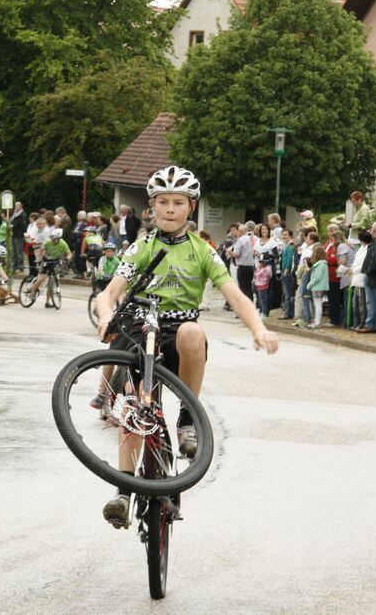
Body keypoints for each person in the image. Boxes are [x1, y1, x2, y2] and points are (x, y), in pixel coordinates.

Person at [95, 166, 278, 527]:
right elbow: (110, 293)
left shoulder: (203, 251)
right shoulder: (142, 246)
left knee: (194, 331)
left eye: (178, 202)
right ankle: (123, 492)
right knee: (135, 404)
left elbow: (235, 296)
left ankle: (187, 419)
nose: (170, 209)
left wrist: (259, 328)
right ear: (151, 207)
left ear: (190, 207)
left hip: (178, 329)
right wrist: (104, 315)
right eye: (163, 202)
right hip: (139, 323)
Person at [29, 228, 71, 302]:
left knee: (50, 282)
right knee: (42, 278)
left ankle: (48, 302)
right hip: (46, 260)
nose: (53, 240)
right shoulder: (47, 241)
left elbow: (68, 253)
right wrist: (39, 259)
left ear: (59, 238)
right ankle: (32, 291)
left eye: (55, 239)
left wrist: (67, 259)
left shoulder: (63, 244)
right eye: (52, 238)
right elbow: (41, 251)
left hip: (55, 261)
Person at [306, 244, 329, 328]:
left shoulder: (320, 264)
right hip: (319, 286)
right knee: (318, 304)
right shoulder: (322, 264)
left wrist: (309, 284)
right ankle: (316, 321)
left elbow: (317, 278)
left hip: (317, 287)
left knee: (318, 304)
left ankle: (317, 322)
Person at [231, 223, 255, 299]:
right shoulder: (256, 238)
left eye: (239, 231)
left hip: (243, 267)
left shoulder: (241, 240)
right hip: (253, 266)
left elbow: (236, 254)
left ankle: (245, 307)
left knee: (243, 288)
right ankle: (251, 305)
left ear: (242, 231)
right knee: (250, 288)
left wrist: (229, 252)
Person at [10, 202, 27, 271]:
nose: (15, 208)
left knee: (19, 252)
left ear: (20, 207)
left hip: (19, 236)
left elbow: (23, 227)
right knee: (14, 252)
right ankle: (14, 266)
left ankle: (21, 267)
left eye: (16, 206)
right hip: (13, 235)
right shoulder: (15, 214)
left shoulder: (23, 215)